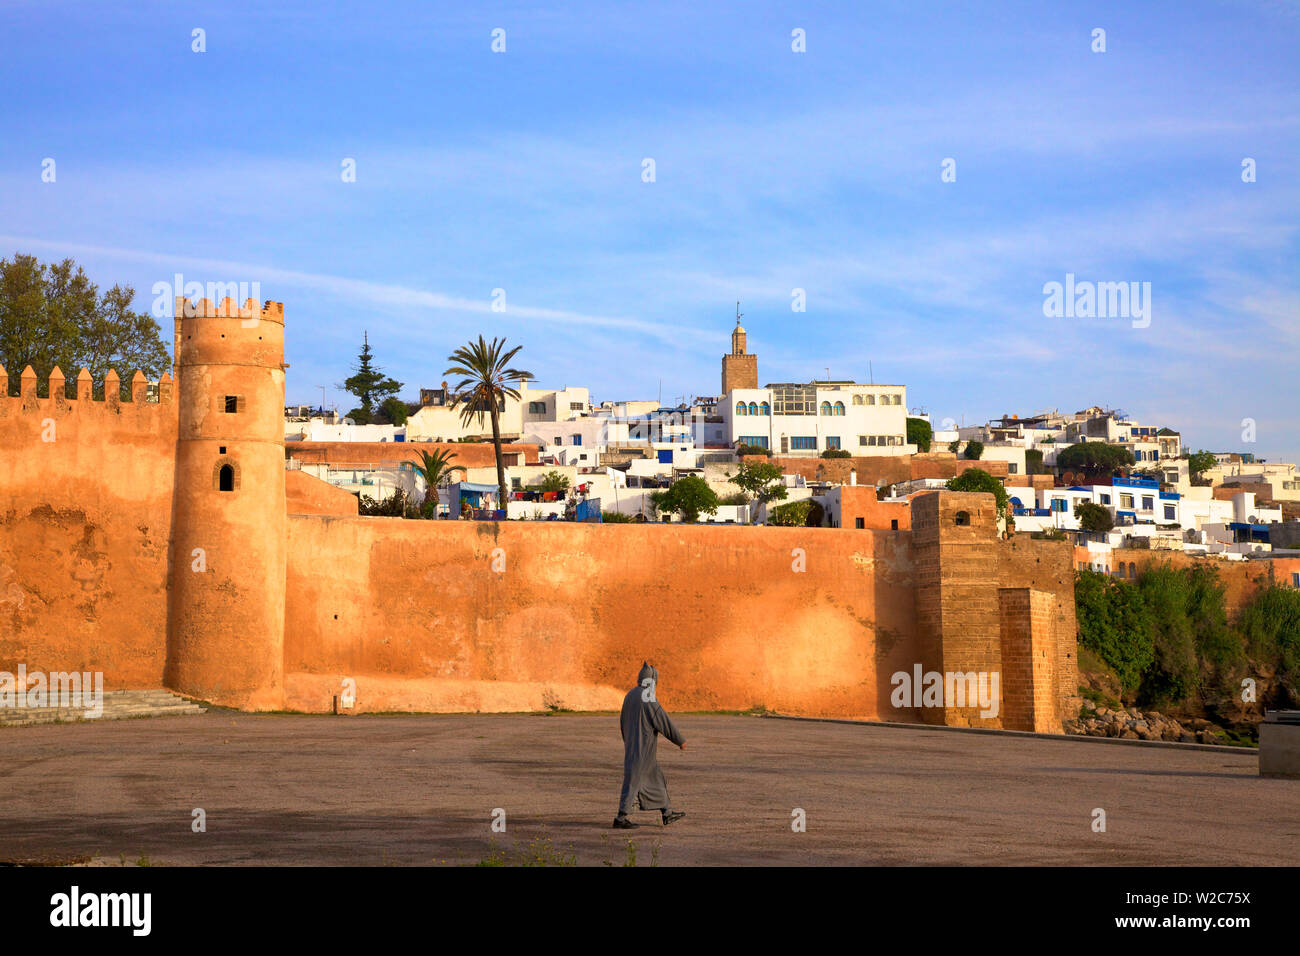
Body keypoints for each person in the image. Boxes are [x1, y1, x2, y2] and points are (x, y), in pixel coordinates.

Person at [613, 661, 686, 829]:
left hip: (633, 745)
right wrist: (679, 740)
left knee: (655, 778)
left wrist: (628, 740)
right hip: (642, 748)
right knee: (634, 781)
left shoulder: (630, 694)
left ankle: (667, 813)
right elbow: (662, 719)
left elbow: (623, 721)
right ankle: (621, 817)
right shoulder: (647, 696)